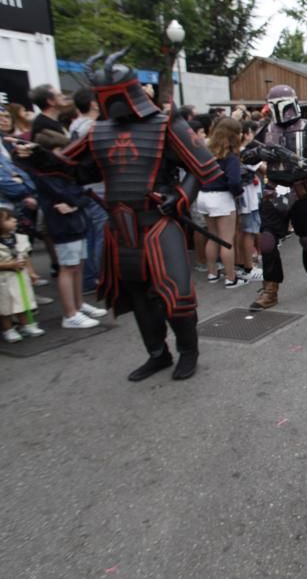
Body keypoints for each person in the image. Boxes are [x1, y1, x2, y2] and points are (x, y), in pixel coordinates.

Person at [11, 49, 222, 381]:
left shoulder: (167, 123)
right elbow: (72, 169)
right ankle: (157, 354)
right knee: (138, 297)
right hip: (121, 228)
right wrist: (36, 156)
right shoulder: (97, 132)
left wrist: (180, 196)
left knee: (176, 295)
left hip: (158, 222)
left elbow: (202, 167)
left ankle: (188, 351)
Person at [241, 85, 307, 309]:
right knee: (267, 241)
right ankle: (270, 288)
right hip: (273, 190)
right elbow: (246, 155)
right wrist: (259, 153)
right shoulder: (266, 129)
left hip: (301, 190)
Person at [24, 122, 104, 329]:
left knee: (77, 265)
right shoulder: (47, 175)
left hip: (75, 221)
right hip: (62, 225)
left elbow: (80, 194)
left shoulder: (60, 173)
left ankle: (78, 305)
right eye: (61, 151)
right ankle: (70, 313)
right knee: (68, 268)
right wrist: (77, 199)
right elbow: (70, 194)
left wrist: (77, 201)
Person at [197, 117, 245, 288]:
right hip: (222, 198)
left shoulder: (205, 151)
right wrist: (238, 193)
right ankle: (231, 278)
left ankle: (212, 273)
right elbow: (234, 182)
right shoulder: (230, 157)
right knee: (226, 240)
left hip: (203, 196)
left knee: (212, 237)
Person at [69, 88, 108, 294]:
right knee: (102, 234)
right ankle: (103, 278)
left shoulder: (76, 125)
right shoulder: (91, 128)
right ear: (93, 104)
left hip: (86, 187)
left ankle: (90, 277)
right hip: (97, 187)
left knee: (92, 234)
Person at [0, 207, 44, 342]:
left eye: (13, 218)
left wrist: (31, 272)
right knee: (4, 306)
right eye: (8, 219)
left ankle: (26, 325)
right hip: (3, 280)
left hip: (20, 277)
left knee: (23, 302)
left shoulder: (20, 239)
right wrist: (9, 265)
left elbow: (26, 258)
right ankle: (8, 329)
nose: (14, 220)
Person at [236, 121, 263, 281]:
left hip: (244, 197)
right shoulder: (245, 153)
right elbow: (263, 169)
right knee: (249, 231)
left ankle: (244, 263)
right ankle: (249, 267)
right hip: (247, 197)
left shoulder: (233, 151)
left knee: (245, 231)